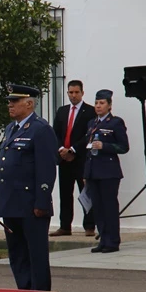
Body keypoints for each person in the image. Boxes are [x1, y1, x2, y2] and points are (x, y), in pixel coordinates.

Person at [0, 86, 57, 291]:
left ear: (29, 103)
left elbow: (46, 169)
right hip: (11, 203)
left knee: (36, 255)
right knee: (17, 254)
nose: (10, 104)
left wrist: (42, 201)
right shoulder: (11, 128)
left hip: (31, 204)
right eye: (9, 101)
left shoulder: (40, 129)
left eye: (15, 101)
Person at [83, 90, 128, 253]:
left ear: (109, 105)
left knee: (109, 207)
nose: (98, 106)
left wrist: (105, 146)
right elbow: (88, 149)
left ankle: (113, 241)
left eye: (102, 103)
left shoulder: (115, 123)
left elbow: (124, 147)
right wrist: (85, 174)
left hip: (108, 172)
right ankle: (103, 239)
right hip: (93, 171)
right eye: (96, 103)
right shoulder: (91, 123)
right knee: (98, 208)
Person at [51, 80, 96, 237]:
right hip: (64, 159)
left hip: (81, 159)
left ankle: (89, 225)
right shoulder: (62, 111)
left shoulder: (90, 111)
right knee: (65, 193)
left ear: (82, 93)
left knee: (85, 192)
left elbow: (89, 134)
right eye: (71, 92)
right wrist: (62, 149)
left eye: (76, 92)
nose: (73, 95)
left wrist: (73, 149)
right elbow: (55, 133)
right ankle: (65, 226)